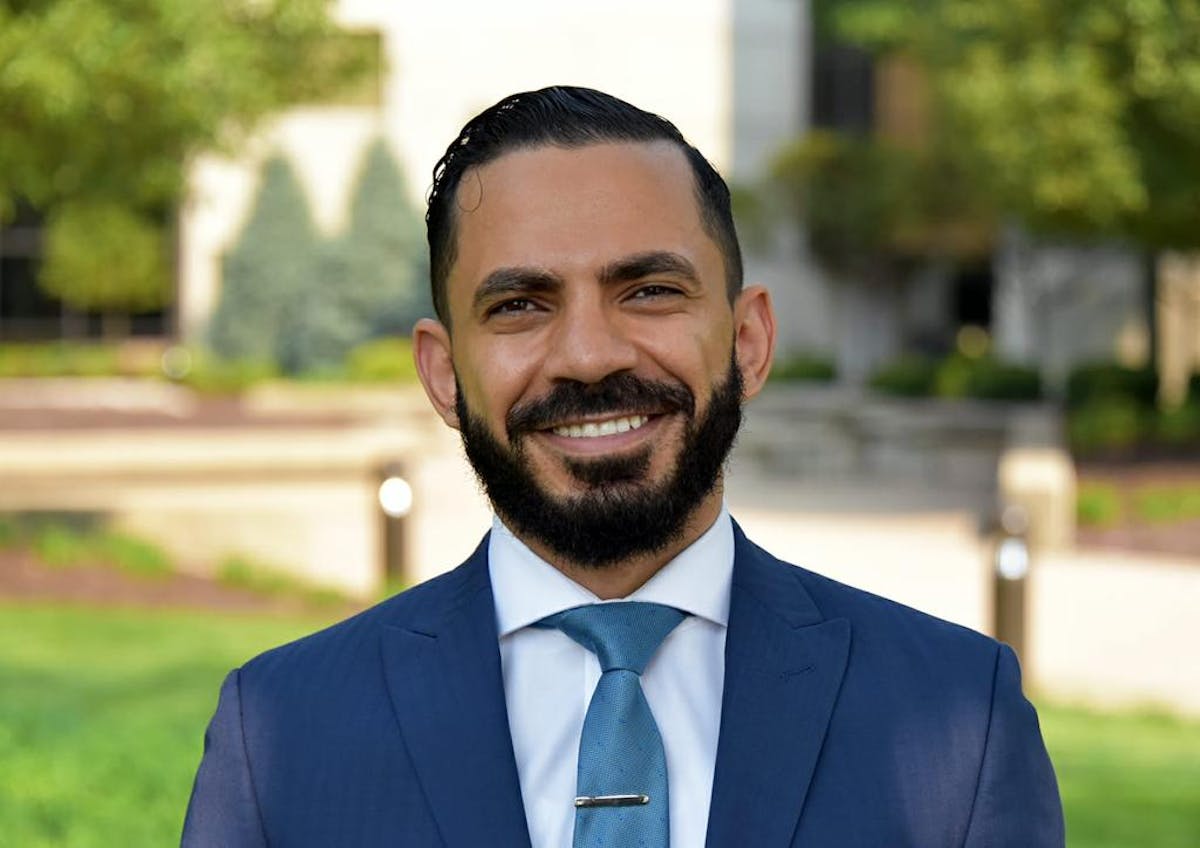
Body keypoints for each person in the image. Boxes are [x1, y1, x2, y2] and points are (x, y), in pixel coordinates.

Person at [182, 86, 1064, 847]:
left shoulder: (960, 720)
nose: (591, 355)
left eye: (648, 291)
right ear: (445, 373)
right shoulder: (280, 732)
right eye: (520, 304)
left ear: (748, 340)